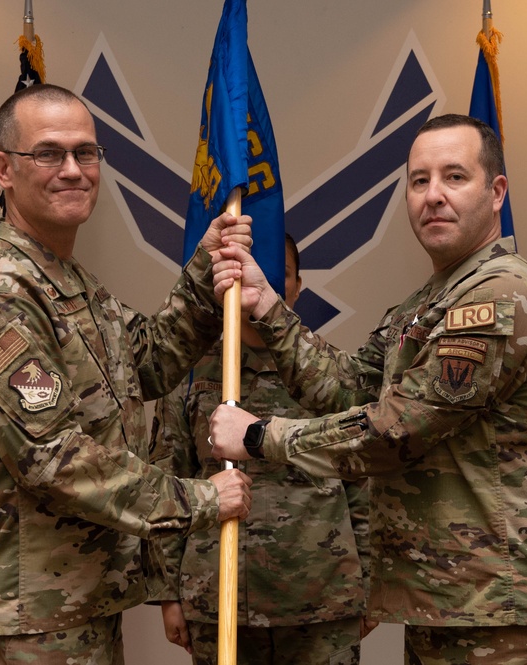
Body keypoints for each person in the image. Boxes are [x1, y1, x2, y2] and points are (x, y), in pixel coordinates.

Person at [208, 114, 527, 664]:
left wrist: (260, 437)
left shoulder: (504, 293)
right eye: (419, 181)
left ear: (496, 192)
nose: (433, 195)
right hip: (447, 602)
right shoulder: (424, 305)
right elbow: (347, 389)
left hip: (511, 609)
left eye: (454, 177)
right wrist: (269, 308)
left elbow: (397, 430)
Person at [0, 83, 253, 665]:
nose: (73, 170)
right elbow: (56, 461)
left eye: (86, 153)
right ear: (5, 169)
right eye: (48, 153)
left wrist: (206, 263)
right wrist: (197, 499)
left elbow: (148, 362)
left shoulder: (69, 284)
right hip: (30, 619)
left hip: (79, 603)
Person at [147, 234, 374, 665]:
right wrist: (167, 594)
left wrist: (369, 584)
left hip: (320, 598)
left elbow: (362, 480)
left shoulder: (329, 376)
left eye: (278, 274)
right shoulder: (193, 373)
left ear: (297, 286)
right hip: (220, 596)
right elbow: (167, 476)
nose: (262, 282)